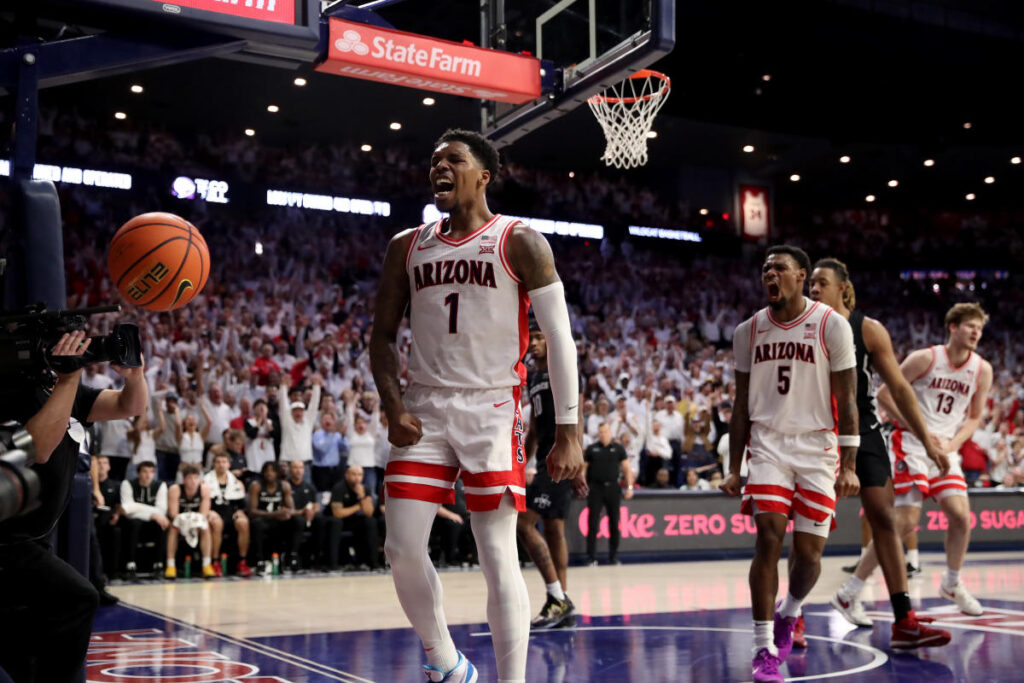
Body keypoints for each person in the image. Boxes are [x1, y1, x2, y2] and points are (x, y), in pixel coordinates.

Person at [369, 128, 583, 683]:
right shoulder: (406, 245)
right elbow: (381, 336)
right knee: (400, 547)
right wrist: (393, 407)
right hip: (425, 408)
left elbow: (559, 337)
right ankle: (445, 661)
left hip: (492, 407)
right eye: (434, 160)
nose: (439, 167)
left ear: (483, 174)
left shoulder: (520, 240)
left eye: (453, 160)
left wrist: (569, 430)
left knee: (496, 550)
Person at [720, 245, 859, 683]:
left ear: (801, 276)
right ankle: (763, 647)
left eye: (779, 267)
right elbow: (741, 405)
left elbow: (848, 399)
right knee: (768, 536)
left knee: (809, 554)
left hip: (817, 447)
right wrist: (733, 465)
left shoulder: (830, 325)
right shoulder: (748, 330)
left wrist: (849, 462)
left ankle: (791, 612)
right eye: (765, 268)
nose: (770, 274)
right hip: (768, 445)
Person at [810, 258, 952, 648]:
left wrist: (926, 439)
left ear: (843, 288)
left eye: (822, 283)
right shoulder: (804, 328)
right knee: (810, 527)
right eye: (811, 284)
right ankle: (794, 614)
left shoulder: (868, 329)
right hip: (816, 432)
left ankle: (904, 620)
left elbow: (902, 390)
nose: (814, 290)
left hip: (863, 432)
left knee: (886, 519)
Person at [0, 331, 147, 683]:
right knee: (77, 599)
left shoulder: (68, 392)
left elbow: (130, 406)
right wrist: (69, 376)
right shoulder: (13, 394)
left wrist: (135, 374)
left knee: (24, 637)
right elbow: (39, 449)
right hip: (7, 540)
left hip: (34, 539)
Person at [835, 302, 993, 621]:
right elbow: (884, 396)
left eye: (979, 327)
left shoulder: (983, 369)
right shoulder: (927, 358)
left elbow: (974, 417)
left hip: (944, 449)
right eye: (970, 326)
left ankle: (951, 583)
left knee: (961, 517)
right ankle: (849, 592)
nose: (976, 332)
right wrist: (920, 430)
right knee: (903, 523)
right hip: (910, 442)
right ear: (953, 327)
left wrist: (951, 444)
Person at [517, 323, 585, 630]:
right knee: (554, 529)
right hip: (544, 458)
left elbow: (578, 415)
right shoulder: (533, 377)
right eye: (531, 337)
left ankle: (556, 597)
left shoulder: (563, 368)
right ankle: (563, 600)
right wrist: (521, 461)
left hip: (559, 459)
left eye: (540, 337)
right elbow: (533, 427)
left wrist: (578, 460)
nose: (533, 343)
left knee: (524, 523)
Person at [583, 423, 634, 565]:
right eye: (600, 432)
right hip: (595, 488)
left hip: (612, 487)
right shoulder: (592, 449)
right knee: (592, 523)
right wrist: (583, 486)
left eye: (605, 431)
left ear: (610, 432)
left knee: (614, 523)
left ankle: (613, 557)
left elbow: (627, 469)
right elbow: (583, 469)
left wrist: (629, 486)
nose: (602, 434)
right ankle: (591, 557)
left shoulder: (618, 448)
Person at [202, 451, 253, 577]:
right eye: (218, 462)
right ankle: (214, 561)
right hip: (214, 513)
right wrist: (209, 512)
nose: (221, 465)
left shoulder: (237, 482)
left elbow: (241, 505)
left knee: (243, 522)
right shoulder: (205, 482)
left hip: (231, 513)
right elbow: (203, 503)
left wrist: (240, 512)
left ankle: (242, 561)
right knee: (216, 523)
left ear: (229, 464)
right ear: (213, 464)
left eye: (224, 462)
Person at [120, 460, 170, 578]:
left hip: (152, 524)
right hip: (132, 522)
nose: (148, 475)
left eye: (151, 472)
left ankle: (158, 564)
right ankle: (130, 565)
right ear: (138, 474)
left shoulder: (160, 485)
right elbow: (126, 509)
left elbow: (161, 510)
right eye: (145, 472)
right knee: (134, 523)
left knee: (161, 524)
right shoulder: (127, 484)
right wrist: (151, 515)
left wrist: (136, 507)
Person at [165, 464, 215, 579]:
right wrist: (185, 521)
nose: (193, 481)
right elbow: (173, 513)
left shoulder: (204, 489)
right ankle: (171, 565)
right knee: (173, 528)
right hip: (179, 521)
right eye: (189, 478)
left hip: (196, 520)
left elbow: (204, 513)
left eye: (196, 478)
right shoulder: (175, 489)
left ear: (199, 479)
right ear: (184, 479)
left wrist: (194, 520)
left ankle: (207, 564)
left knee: (205, 527)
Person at [327, 465, 379, 569]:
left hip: (355, 521)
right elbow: (338, 513)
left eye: (360, 475)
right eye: (354, 474)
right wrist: (358, 506)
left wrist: (362, 496)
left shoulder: (364, 489)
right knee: (336, 522)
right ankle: (333, 564)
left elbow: (369, 512)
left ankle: (374, 563)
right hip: (339, 521)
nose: (357, 477)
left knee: (371, 521)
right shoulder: (339, 488)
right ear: (347, 475)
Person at [248, 461, 295, 570]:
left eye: (272, 471)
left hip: (277, 519)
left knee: (292, 522)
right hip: (262, 518)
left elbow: (292, 509)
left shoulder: (284, 485)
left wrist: (286, 513)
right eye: (267, 471)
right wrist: (274, 514)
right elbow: (252, 511)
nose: (269, 473)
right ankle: (259, 560)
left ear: (278, 473)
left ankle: (286, 558)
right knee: (257, 524)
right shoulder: (257, 486)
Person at [278, 376, 321, 484]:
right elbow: (283, 404)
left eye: (300, 411)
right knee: (286, 490)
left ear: (303, 412)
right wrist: (283, 387)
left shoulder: (308, 422)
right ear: (291, 412)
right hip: (287, 462)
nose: (298, 413)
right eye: (295, 411)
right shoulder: (287, 421)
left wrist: (316, 387)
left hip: (304, 463)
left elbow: (314, 405)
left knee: (305, 491)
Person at [286, 460, 322, 571]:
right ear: (289, 470)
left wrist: (313, 511)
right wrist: (302, 511)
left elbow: (316, 506)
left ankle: (318, 557)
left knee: (321, 520)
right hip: (290, 518)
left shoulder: (309, 487)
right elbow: (284, 509)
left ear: (304, 470)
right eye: (295, 467)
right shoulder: (285, 486)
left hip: (307, 516)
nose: (298, 470)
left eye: (301, 468)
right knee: (299, 521)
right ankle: (293, 557)